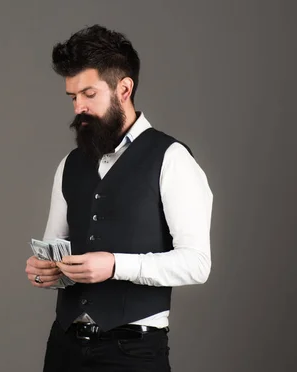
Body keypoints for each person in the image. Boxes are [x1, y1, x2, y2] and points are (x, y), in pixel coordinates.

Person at [25, 25, 212, 371]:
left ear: (124, 88)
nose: (78, 107)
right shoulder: (69, 164)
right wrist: (46, 271)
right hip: (64, 347)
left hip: (133, 353)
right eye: (72, 97)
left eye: (88, 94)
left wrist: (115, 264)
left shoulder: (171, 158)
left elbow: (198, 263)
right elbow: (56, 245)